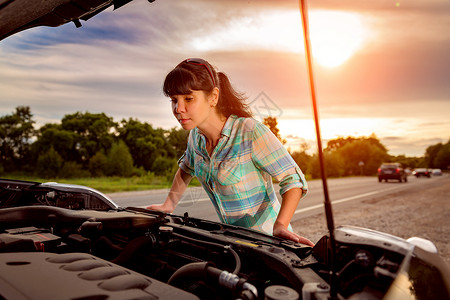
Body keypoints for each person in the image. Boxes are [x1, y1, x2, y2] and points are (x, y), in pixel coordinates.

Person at [147, 58, 313, 246]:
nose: (178, 109)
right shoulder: (195, 137)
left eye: (188, 98)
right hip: (234, 242)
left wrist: (281, 225)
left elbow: (293, 180)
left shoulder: (249, 131)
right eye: (173, 100)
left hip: (270, 243)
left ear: (213, 97)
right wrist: (169, 204)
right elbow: (186, 168)